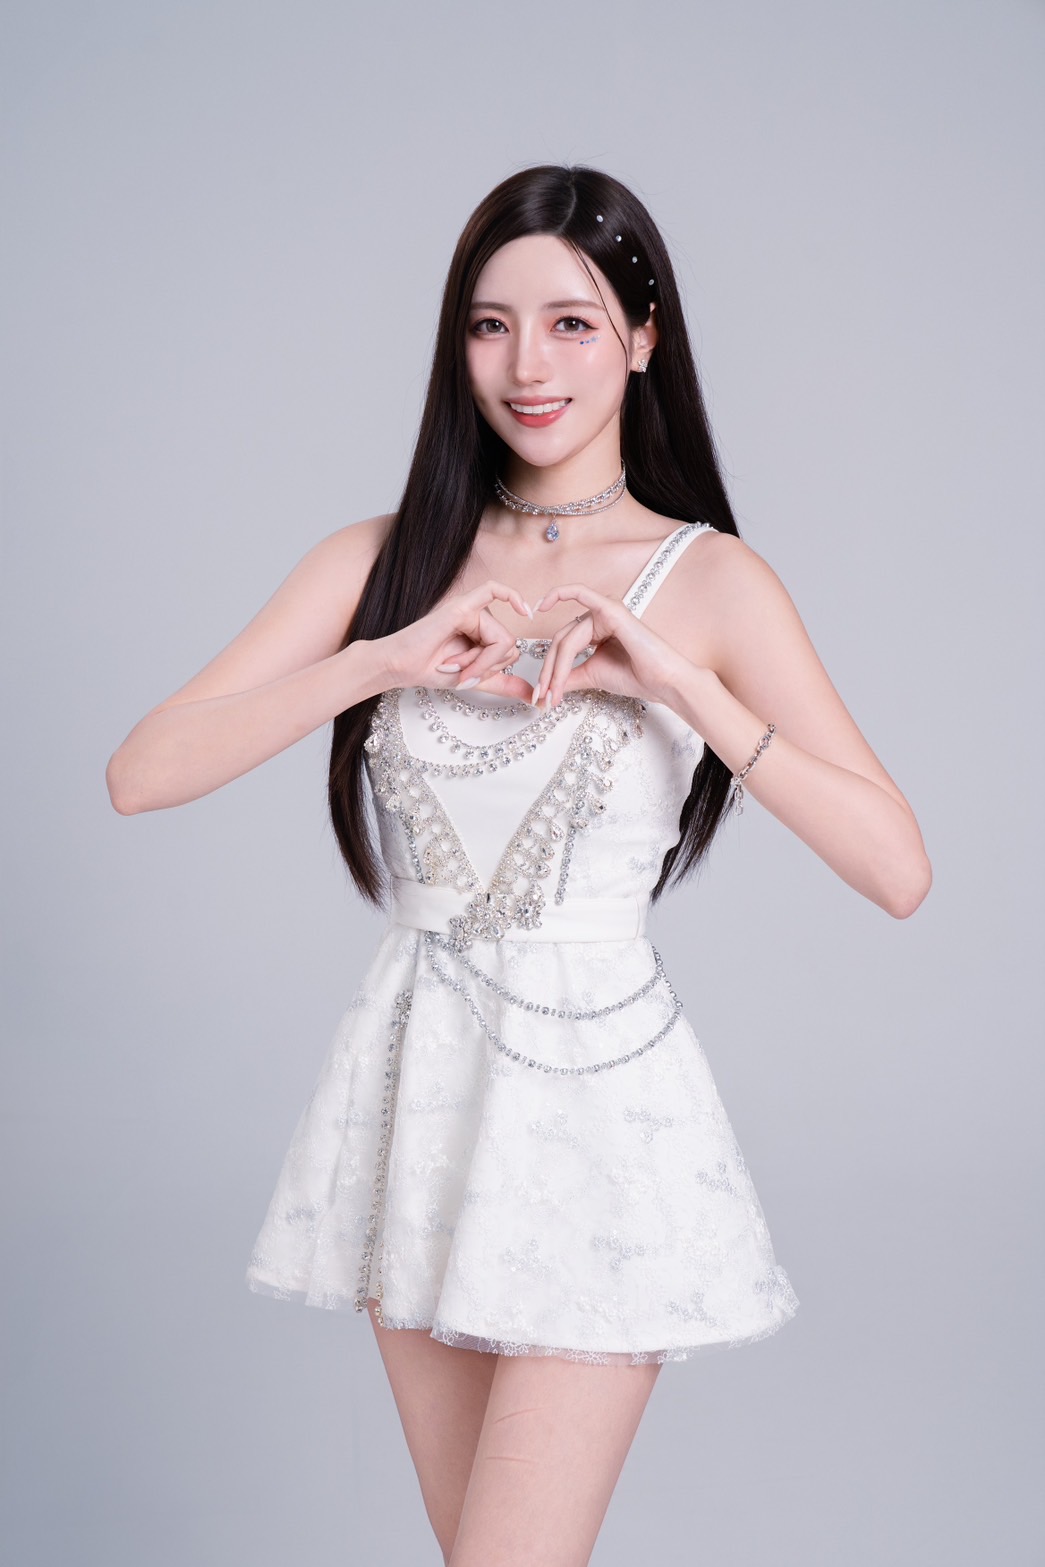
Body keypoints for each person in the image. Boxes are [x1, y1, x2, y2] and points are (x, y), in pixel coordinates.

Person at [106, 164, 931, 1567]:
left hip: (598, 1107)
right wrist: (376, 660)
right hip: (413, 1096)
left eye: (570, 322)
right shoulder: (381, 560)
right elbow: (143, 772)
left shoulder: (710, 580)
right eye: (490, 326)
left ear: (643, 338)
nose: (527, 365)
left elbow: (896, 867)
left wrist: (681, 682)